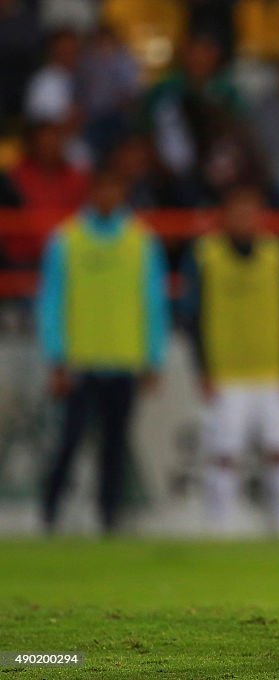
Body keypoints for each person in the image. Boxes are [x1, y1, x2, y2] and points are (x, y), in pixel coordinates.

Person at [37, 167, 170, 533]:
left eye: (115, 188)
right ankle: (49, 512)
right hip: (80, 361)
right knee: (69, 441)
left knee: (114, 447)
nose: (109, 197)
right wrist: (56, 357)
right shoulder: (66, 241)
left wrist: (153, 357)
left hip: (124, 361)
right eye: (103, 189)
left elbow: (154, 304)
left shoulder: (142, 241)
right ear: (92, 193)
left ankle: (108, 519)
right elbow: (51, 302)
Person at [179, 183, 279, 535]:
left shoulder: (276, 253)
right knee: (225, 453)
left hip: (272, 370)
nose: (245, 219)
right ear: (224, 216)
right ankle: (221, 523)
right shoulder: (206, 255)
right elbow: (192, 315)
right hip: (227, 371)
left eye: (252, 211)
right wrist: (203, 368)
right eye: (238, 212)